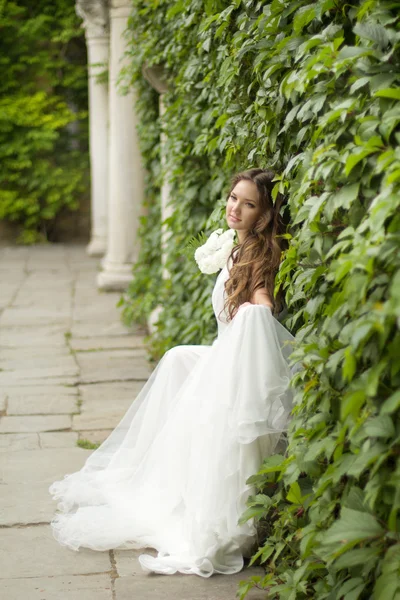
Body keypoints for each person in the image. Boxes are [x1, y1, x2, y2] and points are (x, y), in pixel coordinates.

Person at [49, 167, 299, 578]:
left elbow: (262, 301)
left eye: (249, 203)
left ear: (265, 214)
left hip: (235, 364)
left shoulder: (258, 254)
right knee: (179, 358)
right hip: (224, 354)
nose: (235, 208)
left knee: (187, 371)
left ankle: (216, 513)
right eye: (234, 197)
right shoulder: (237, 249)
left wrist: (259, 307)